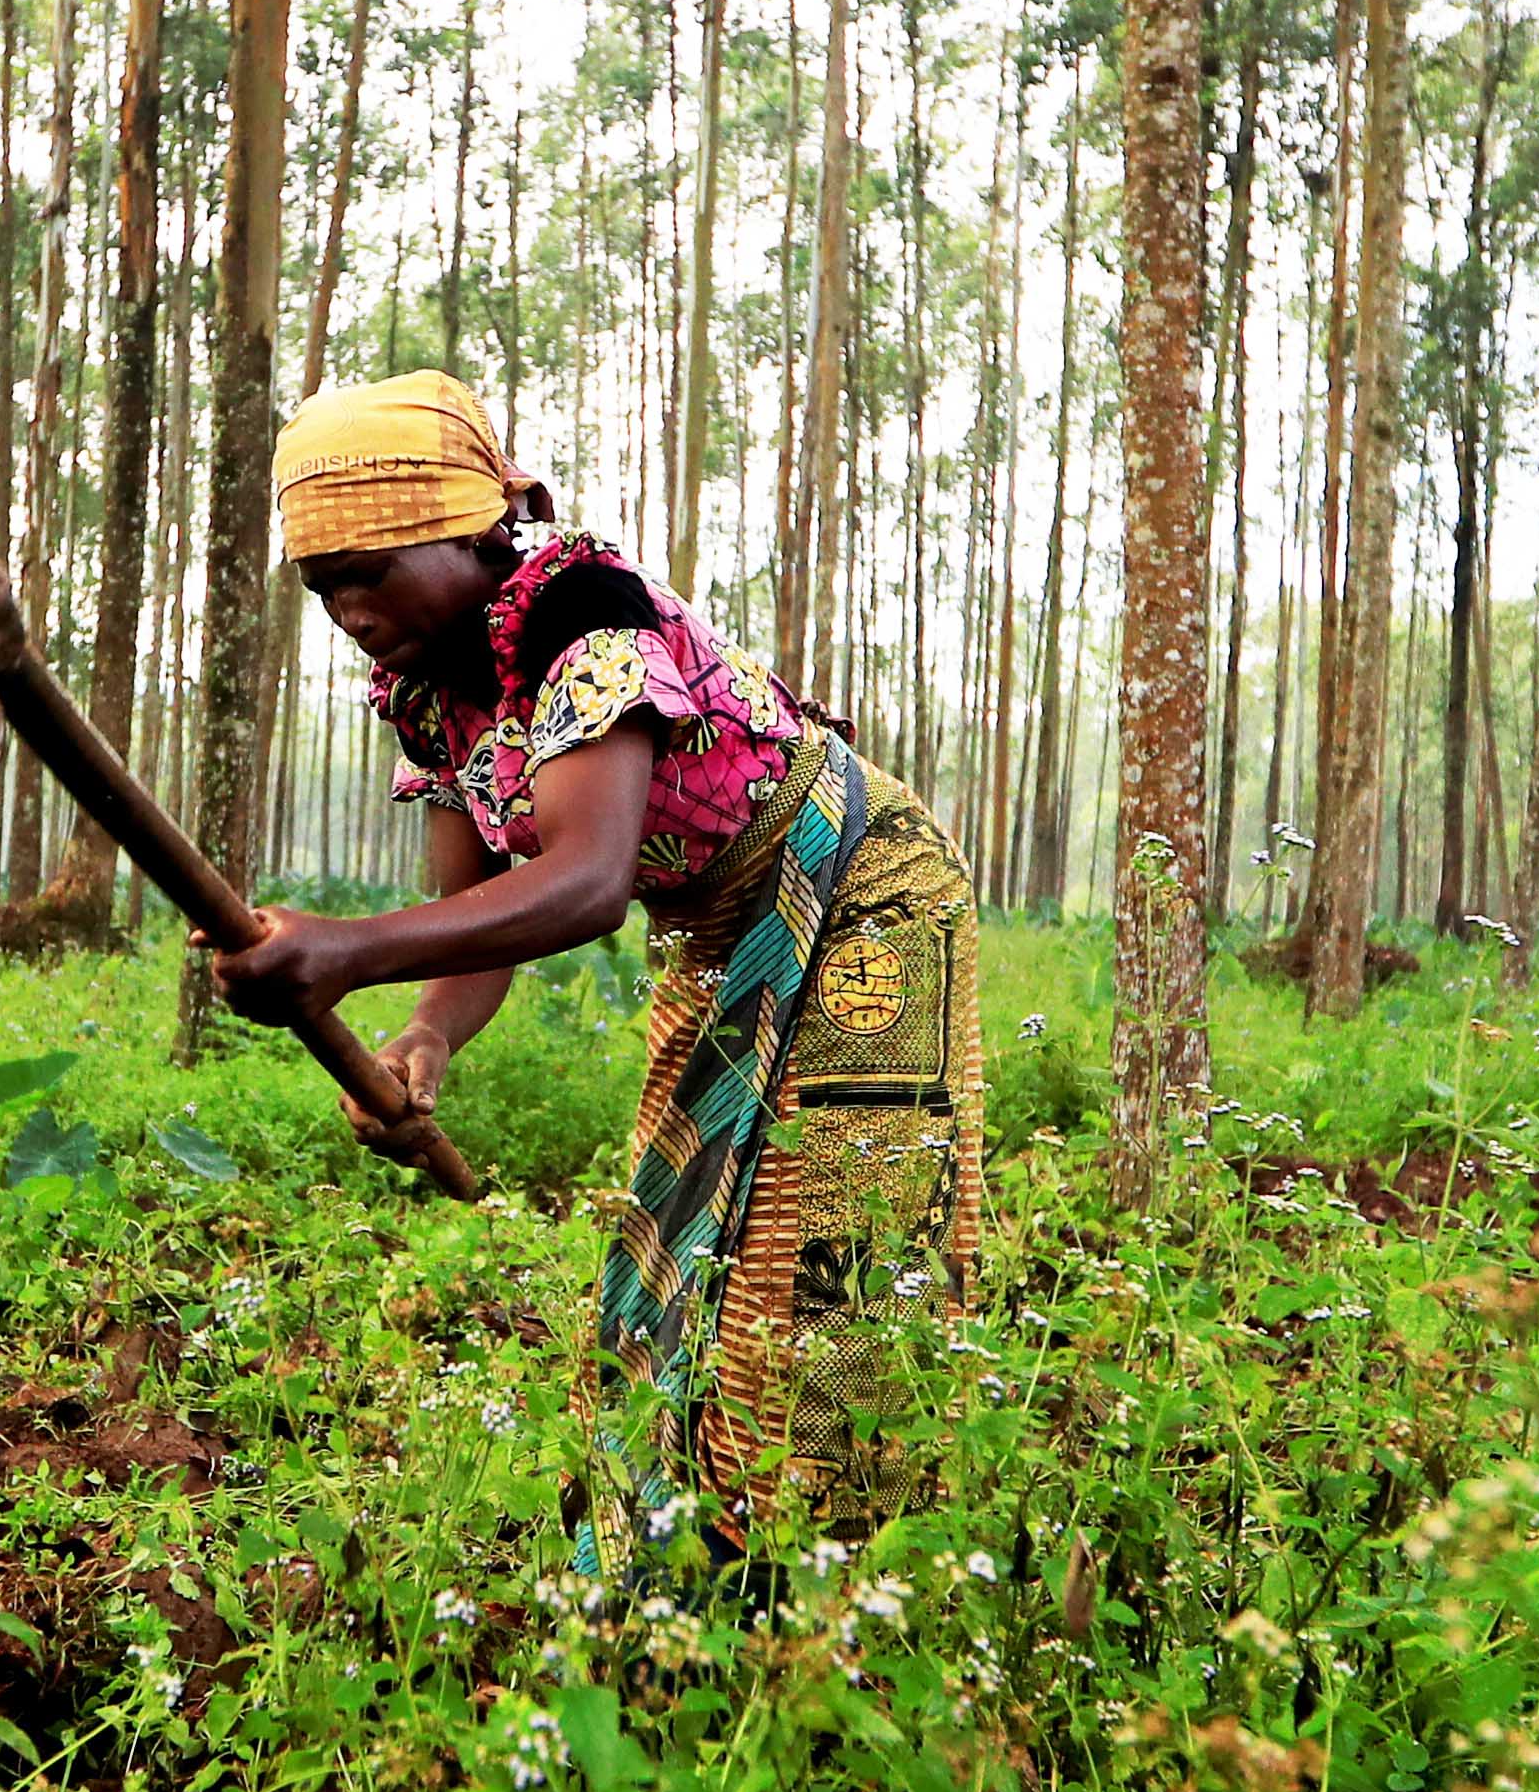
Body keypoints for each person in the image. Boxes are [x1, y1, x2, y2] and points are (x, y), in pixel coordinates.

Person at [208, 371, 983, 1500]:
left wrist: (345, 948)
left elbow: (584, 884)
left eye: (370, 574)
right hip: (714, 926)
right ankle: (685, 1533)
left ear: (471, 531)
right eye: (326, 590)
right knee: (688, 1224)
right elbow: (477, 917)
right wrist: (426, 1035)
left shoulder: (584, 612)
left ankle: (843, 1547)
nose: (352, 613)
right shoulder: (422, 692)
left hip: (862, 886)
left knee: (835, 1239)